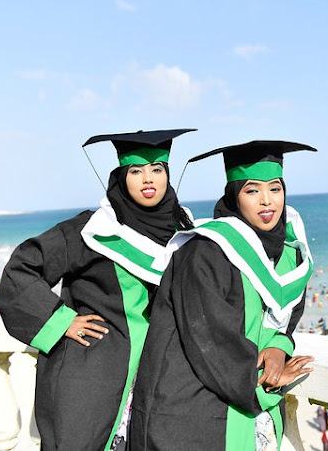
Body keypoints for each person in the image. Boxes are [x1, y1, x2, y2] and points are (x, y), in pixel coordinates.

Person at [0, 129, 196, 451]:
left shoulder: (183, 230)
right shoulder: (93, 229)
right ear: (121, 177)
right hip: (93, 374)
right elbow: (22, 269)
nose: (148, 179)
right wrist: (61, 321)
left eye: (157, 169)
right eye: (136, 171)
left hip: (159, 380)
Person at [130, 140, 316, 450]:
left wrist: (279, 345)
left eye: (275, 188)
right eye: (252, 190)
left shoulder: (286, 250)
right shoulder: (206, 251)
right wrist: (260, 383)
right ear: (234, 195)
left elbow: (288, 304)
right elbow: (210, 338)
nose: (267, 201)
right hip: (189, 411)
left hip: (242, 410)